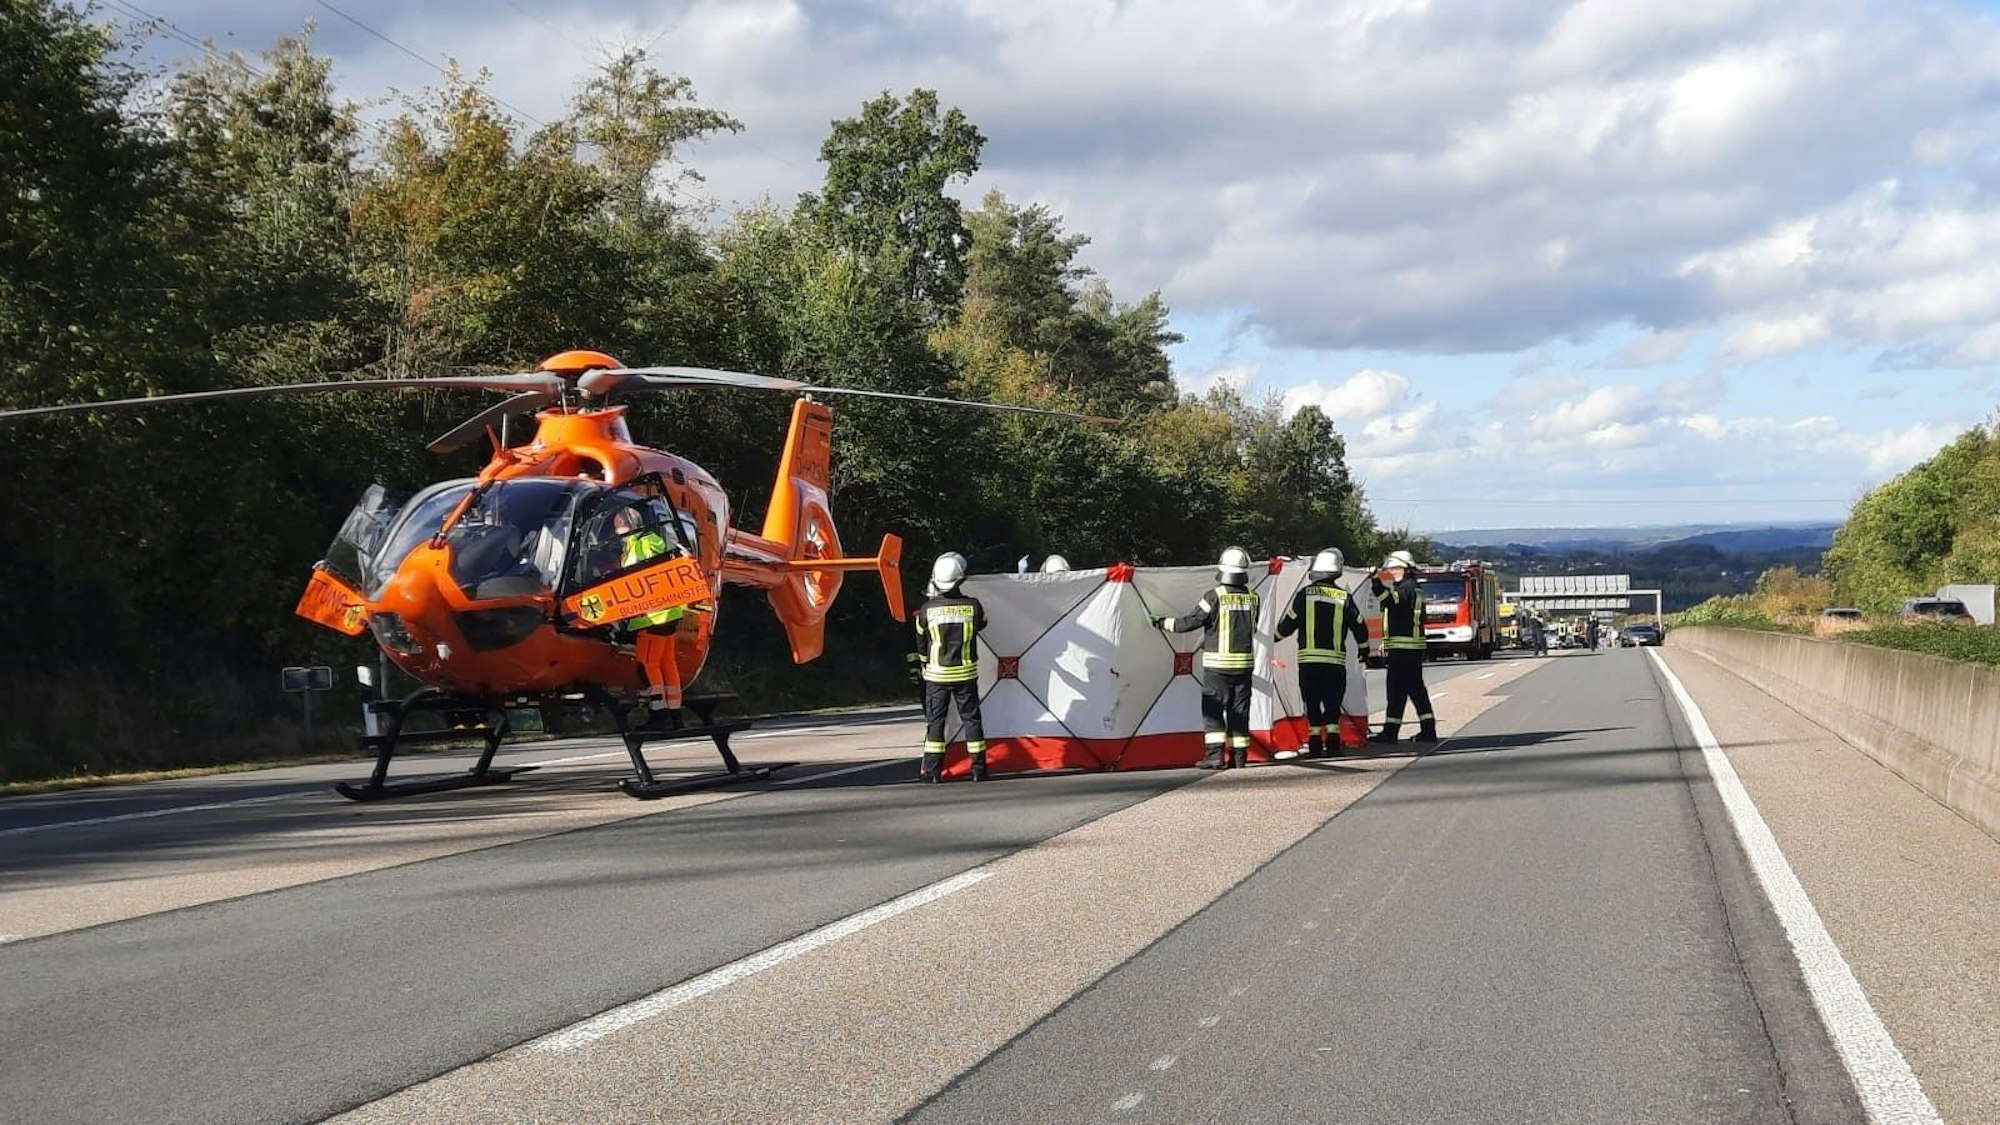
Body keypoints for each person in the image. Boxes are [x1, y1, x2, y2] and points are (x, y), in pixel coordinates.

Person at [1153, 547, 1260, 770]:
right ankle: (1239, 758)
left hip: (1217, 667)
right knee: (1239, 712)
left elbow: (1189, 622)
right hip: (1244, 667)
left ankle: (1214, 757)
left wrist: (1161, 622)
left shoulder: (1214, 596)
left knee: (1213, 711)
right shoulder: (1253, 598)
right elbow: (1252, 628)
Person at [1272, 548, 1370, 760]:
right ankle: (1333, 744)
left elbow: (1288, 624)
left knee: (1313, 702)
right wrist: (1364, 648)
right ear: (1337, 571)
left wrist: (1272, 640)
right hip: (1334, 662)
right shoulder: (1344, 597)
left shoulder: (1303, 596)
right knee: (1333, 704)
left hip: (1308, 662)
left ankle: (1315, 744)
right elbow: (1359, 624)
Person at [912, 552, 989, 783]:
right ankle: (978, 770)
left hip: (936, 675)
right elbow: (982, 625)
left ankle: (933, 772)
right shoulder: (973, 606)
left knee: (936, 723)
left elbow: (921, 645)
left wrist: (926, 664)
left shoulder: (926, 610)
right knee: (972, 721)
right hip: (966, 673)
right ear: (960, 579)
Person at [1370, 549, 1437, 746]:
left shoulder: (1405, 589)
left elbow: (1389, 601)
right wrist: (1386, 641)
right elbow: (1401, 616)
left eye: (1394, 568)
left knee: (1401, 690)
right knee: (1409, 690)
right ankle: (1407, 730)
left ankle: (1399, 732)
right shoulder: (1413, 588)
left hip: (1404, 649)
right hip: (1408, 647)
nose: (1391, 572)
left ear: (1405, 569)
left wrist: (1375, 581)